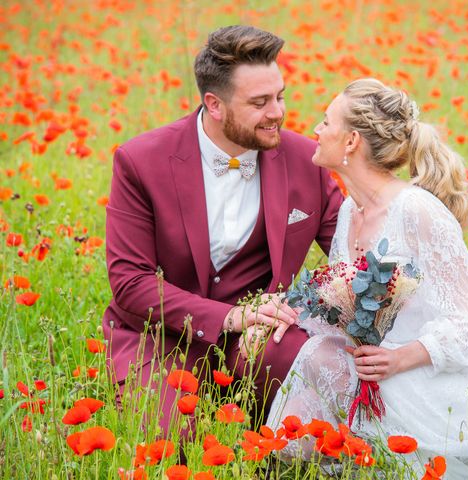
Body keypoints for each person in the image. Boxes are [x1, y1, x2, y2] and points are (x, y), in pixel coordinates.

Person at [266, 78, 468, 478]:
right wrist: (289, 312)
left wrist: (397, 359)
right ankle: (283, 461)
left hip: (428, 372)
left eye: (326, 122)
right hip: (378, 365)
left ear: (352, 141)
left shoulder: (417, 210)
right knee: (320, 354)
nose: (316, 131)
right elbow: (345, 303)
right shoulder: (350, 215)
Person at [102, 25, 343, 433]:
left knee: (311, 418)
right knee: (174, 445)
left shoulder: (306, 160)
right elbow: (129, 282)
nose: (278, 113)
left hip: (260, 340)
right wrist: (229, 317)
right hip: (161, 337)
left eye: (280, 96)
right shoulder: (141, 161)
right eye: (260, 102)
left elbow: (350, 254)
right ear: (214, 104)